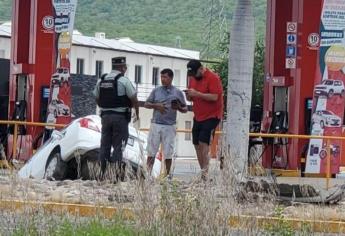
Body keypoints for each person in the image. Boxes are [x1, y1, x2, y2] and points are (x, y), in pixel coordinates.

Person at [93, 56, 139, 179]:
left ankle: (101, 175)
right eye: (125, 67)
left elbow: (96, 97)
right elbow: (134, 98)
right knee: (119, 146)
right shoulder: (124, 81)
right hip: (120, 118)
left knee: (105, 146)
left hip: (105, 117)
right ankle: (114, 176)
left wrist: (103, 107)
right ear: (123, 67)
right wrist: (137, 113)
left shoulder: (101, 80)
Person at [185, 59, 223, 181]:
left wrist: (197, 94)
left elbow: (215, 97)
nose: (194, 77)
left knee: (203, 141)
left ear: (201, 69)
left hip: (212, 115)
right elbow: (192, 97)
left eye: (195, 74)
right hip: (198, 115)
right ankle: (203, 171)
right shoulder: (192, 79)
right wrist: (189, 95)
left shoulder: (213, 78)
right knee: (196, 143)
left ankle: (205, 173)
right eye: (192, 75)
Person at [145, 68, 187, 178]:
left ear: (171, 78)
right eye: (161, 77)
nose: (163, 79)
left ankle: (168, 176)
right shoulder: (156, 91)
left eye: (165, 77)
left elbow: (185, 108)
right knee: (151, 151)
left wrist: (178, 107)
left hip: (170, 126)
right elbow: (146, 104)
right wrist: (156, 106)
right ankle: (148, 176)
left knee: (168, 152)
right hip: (156, 124)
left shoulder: (177, 93)